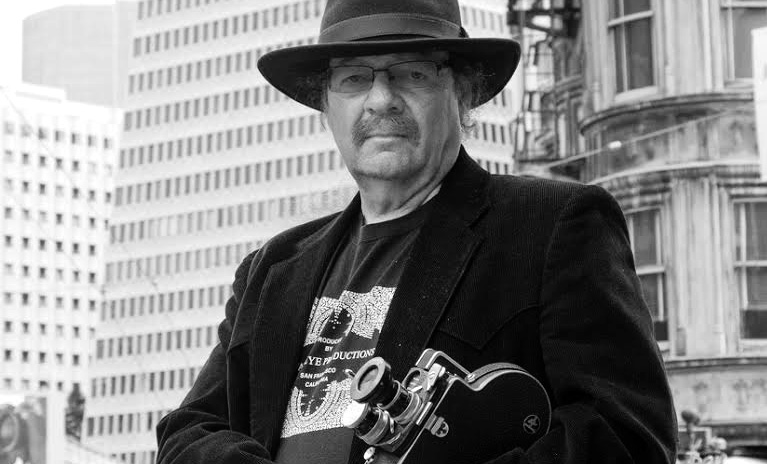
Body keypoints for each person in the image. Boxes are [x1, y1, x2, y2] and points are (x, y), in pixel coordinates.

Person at [155, 0, 678, 462]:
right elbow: (187, 433)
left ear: (462, 92)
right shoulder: (272, 268)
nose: (381, 100)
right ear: (326, 106)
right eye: (354, 78)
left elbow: (625, 437)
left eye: (412, 74)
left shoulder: (554, 224)